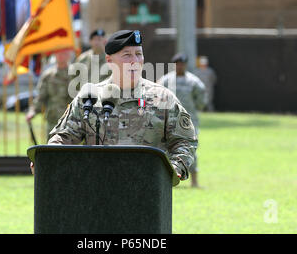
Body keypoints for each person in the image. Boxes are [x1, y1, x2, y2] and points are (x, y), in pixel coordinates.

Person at [32, 30, 197, 181]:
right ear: (109, 61)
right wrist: (47, 159)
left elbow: (185, 139)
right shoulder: (90, 97)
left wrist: (175, 168)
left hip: (147, 189)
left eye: (138, 54)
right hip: (96, 188)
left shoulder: (163, 97)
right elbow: (64, 136)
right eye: (127, 55)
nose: (135, 61)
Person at [158, 53, 207, 188]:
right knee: (167, 149)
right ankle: (171, 178)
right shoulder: (166, 81)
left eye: (182, 64)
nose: (180, 66)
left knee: (190, 149)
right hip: (169, 120)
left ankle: (194, 181)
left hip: (189, 122)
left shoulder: (193, 82)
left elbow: (201, 101)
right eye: (177, 64)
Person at [26, 49, 75, 139]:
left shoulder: (75, 74)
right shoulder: (48, 75)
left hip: (71, 122)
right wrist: (33, 111)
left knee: (70, 150)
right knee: (51, 150)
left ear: (69, 55)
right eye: (58, 52)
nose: (61, 55)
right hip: (53, 121)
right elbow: (40, 97)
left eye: (64, 52)